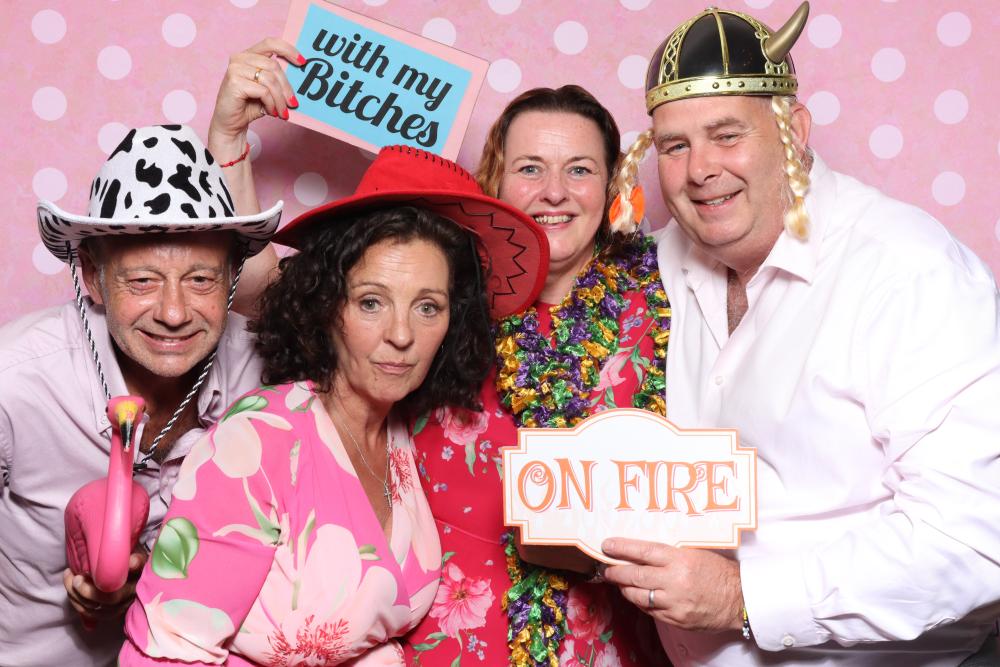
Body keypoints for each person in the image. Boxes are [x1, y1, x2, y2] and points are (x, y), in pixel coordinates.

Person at [600, 3, 1000, 666]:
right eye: (675, 146)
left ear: (795, 130)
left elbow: (975, 535)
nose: (700, 169)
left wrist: (741, 596)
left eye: (727, 134)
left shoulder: (908, 271)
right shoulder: (664, 260)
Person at [118, 145, 547, 665]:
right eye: (372, 302)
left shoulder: (399, 436)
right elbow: (163, 652)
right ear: (327, 305)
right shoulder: (259, 438)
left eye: (427, 307)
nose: (401, 335)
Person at [401, 86, 671, 666]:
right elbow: (293, 306)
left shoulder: (667, 299)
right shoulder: (435, 291)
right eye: (530, 168)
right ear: (495, 180)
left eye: (580, 169)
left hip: (608, 643)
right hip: (441, 644)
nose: (554, 192)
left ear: (612, 186)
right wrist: (232, 144)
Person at [0, 123, 283, 666]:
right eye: (142, 281)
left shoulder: (268, 374)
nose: (174, 313)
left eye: (200, 280)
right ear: (92, 276)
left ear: (232, 278)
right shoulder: (15, 383)